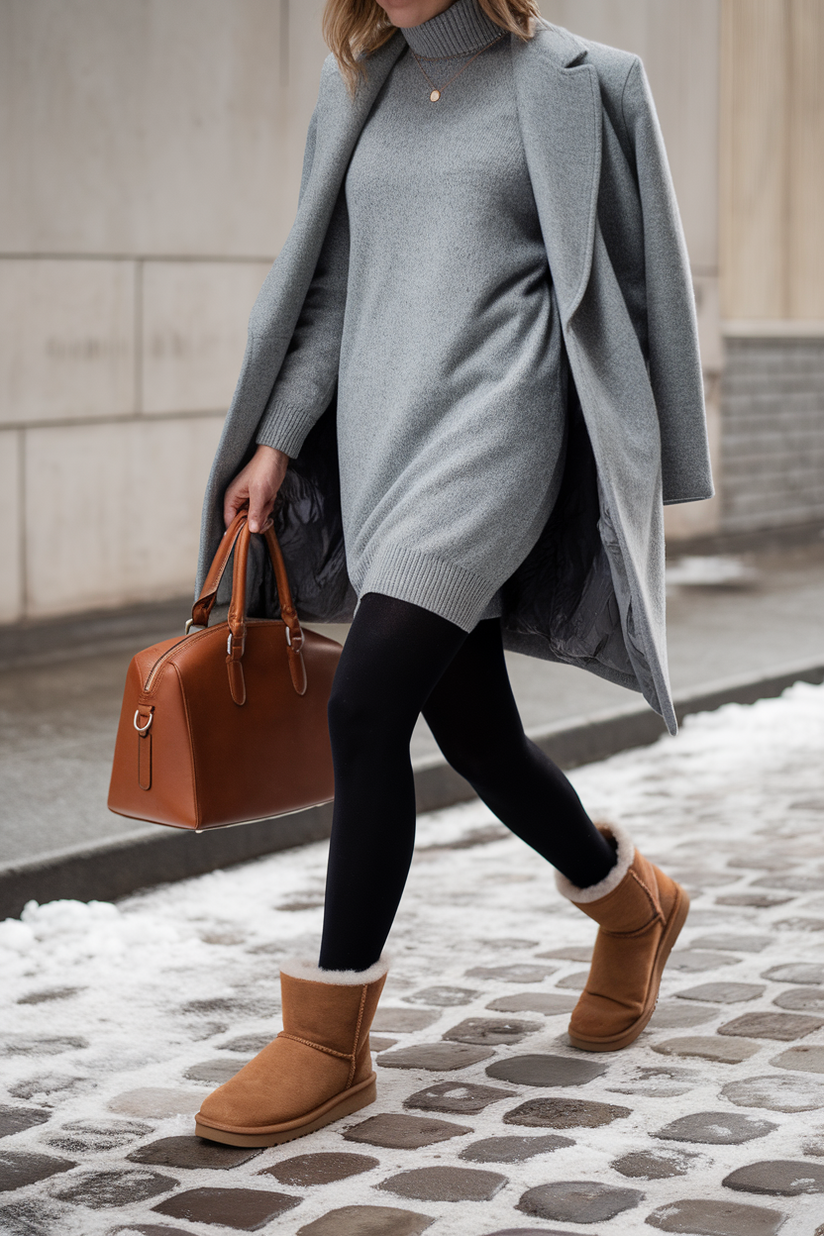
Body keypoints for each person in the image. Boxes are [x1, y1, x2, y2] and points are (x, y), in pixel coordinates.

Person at [193, 0, 713, 1149]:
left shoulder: (586, 80)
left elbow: (637, 287)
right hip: (385, 438)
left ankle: (328, 1035)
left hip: (500, 434)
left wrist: (651, 466)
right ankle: (630, 902)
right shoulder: (358, 88)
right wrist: (275, 442)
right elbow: (326, 298)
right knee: (474, 733)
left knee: (367, 699)